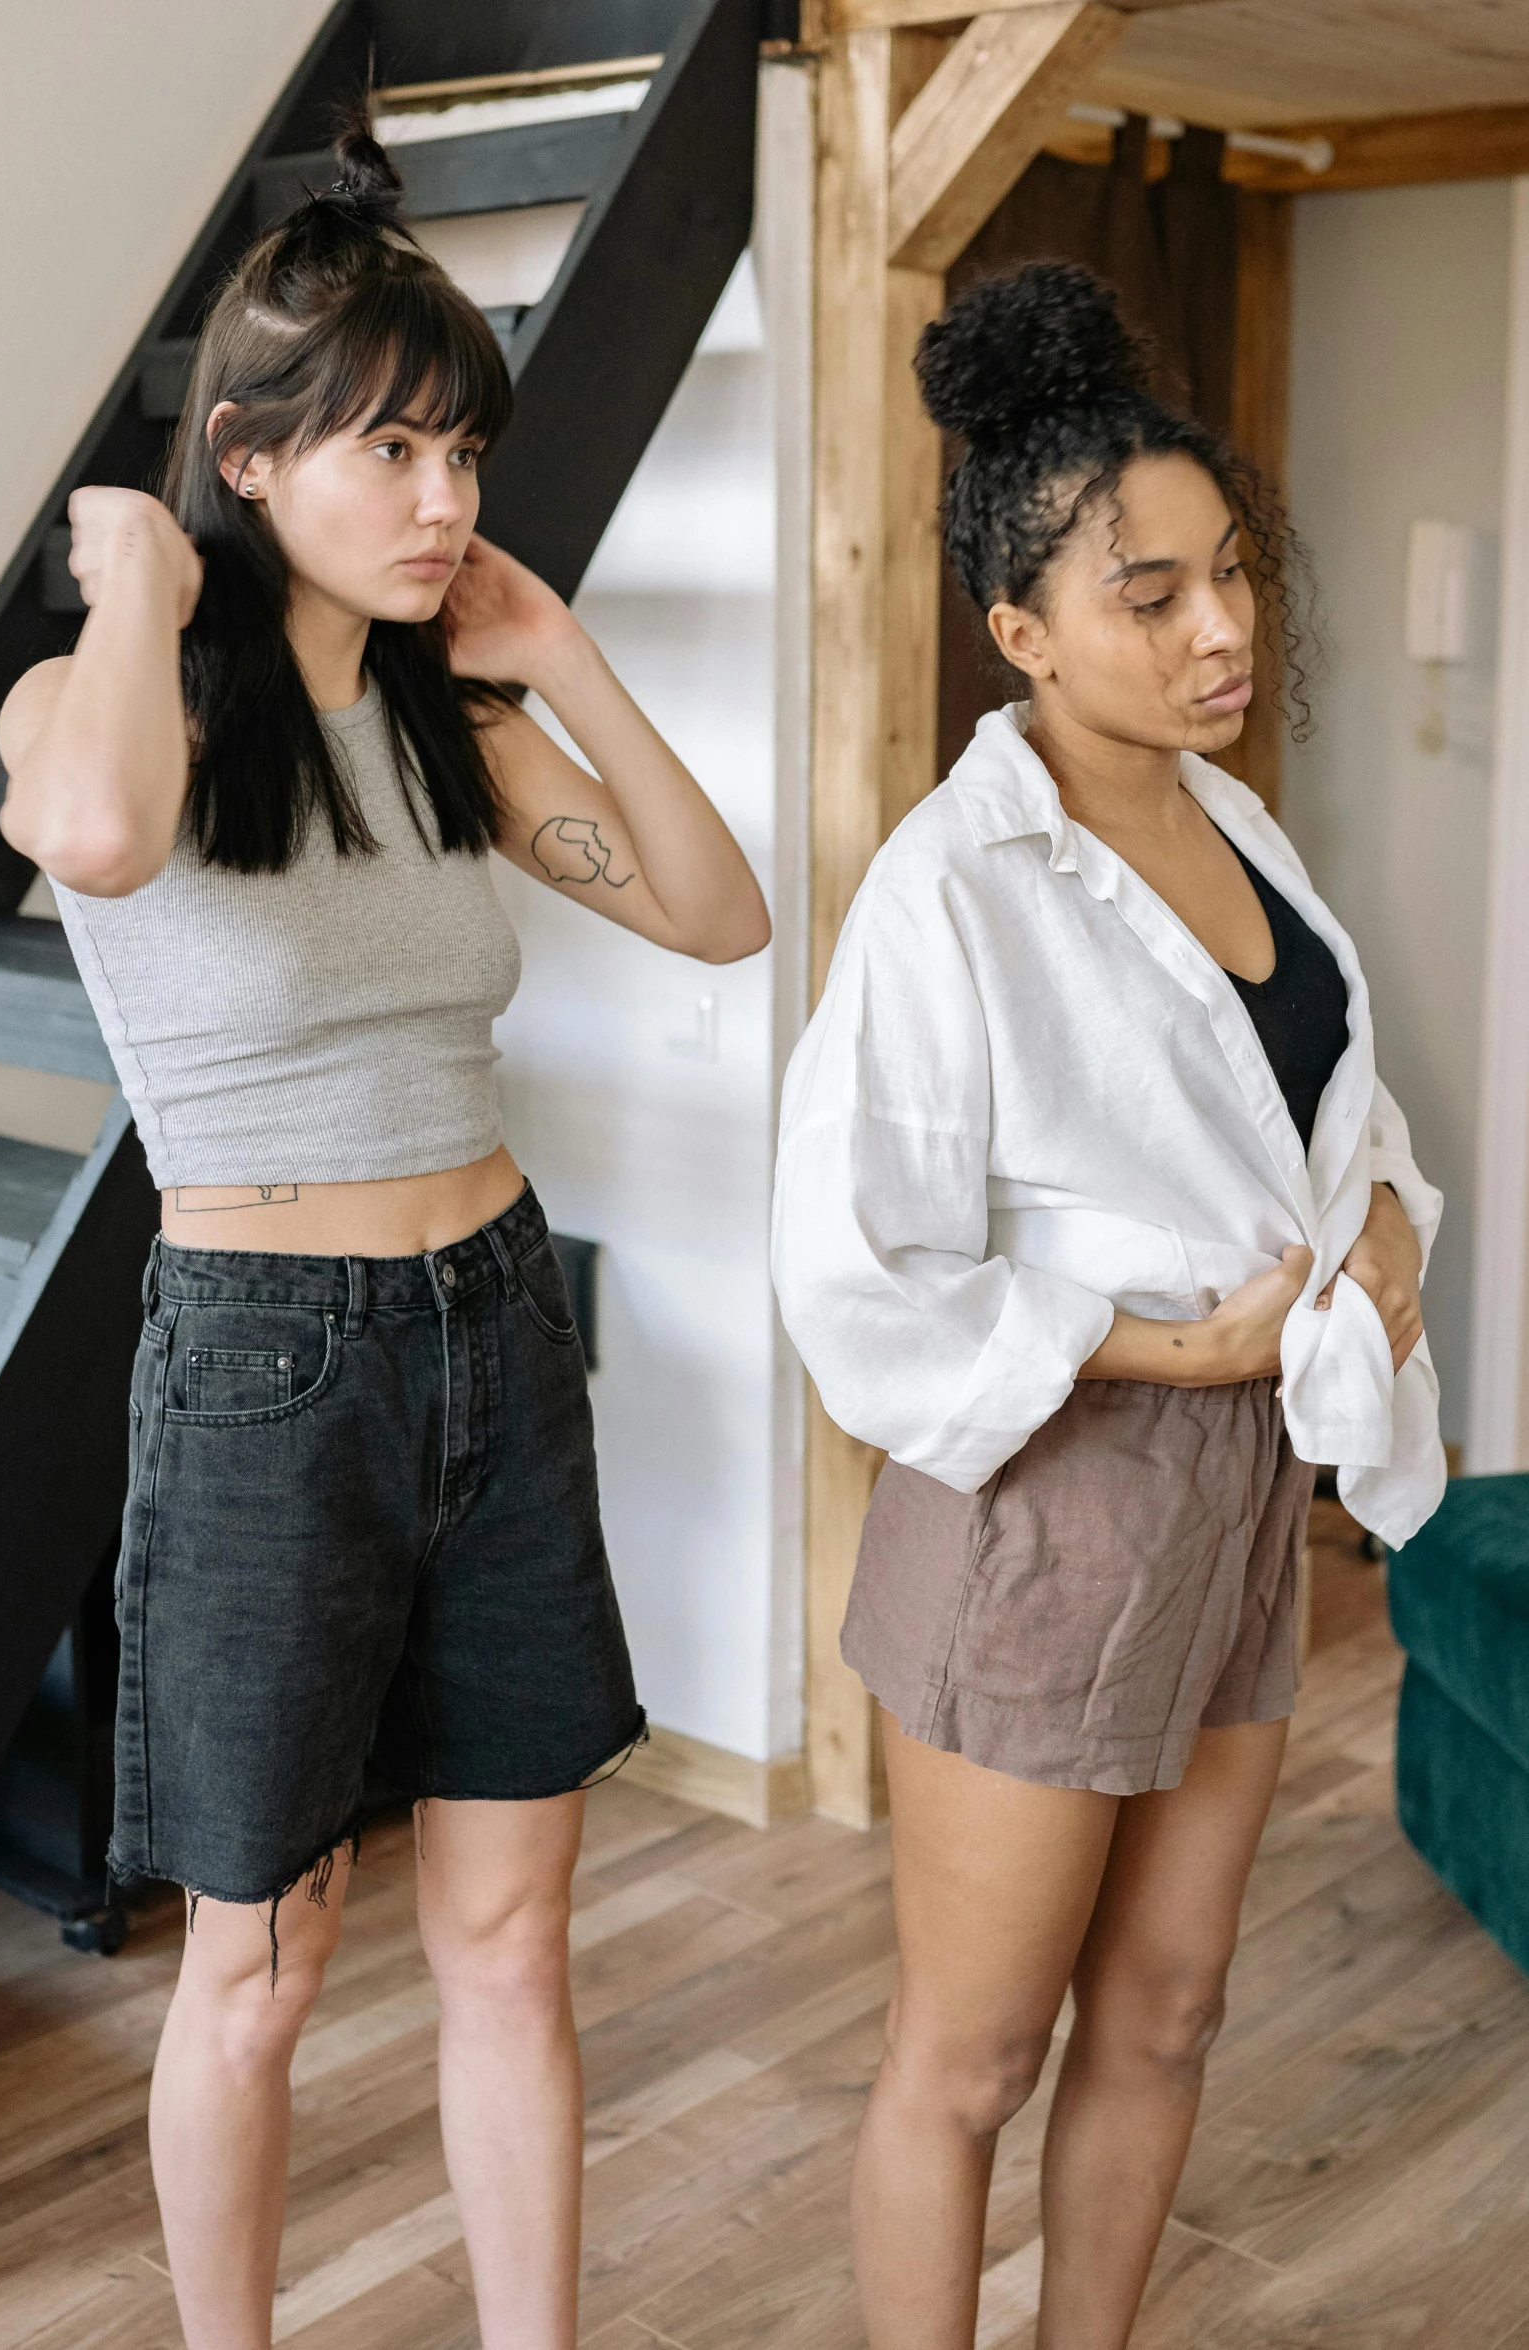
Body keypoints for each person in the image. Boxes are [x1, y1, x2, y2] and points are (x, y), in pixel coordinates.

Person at [0, 123, 769, 2350]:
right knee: (257, 1953)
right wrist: (137, 580)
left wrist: (569, 653)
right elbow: (95, 829)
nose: (447, 496)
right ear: (252, 454)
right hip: (263, 1367)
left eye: (467, 450)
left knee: (513, 1934)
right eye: (396, 446)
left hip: (497, 1329)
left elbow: (725, 916)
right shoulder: (122, 700)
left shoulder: (460, 728)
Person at [771, 262, 1443, 2350]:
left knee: (1167, 2012)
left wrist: (1396, 1227)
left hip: (1242, 1496)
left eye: (1228, 574)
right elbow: (855, 1264)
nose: (1222, 627)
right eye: (1151, 595)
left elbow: (1332, 1119)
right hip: (1048, 1506)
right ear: (1021, 631)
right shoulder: (954, 887)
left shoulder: (1242, 825)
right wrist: (1179, 1347)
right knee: (969, 2059)